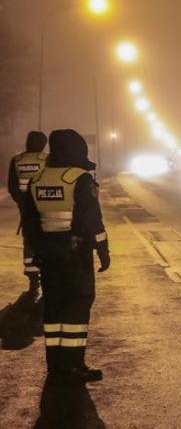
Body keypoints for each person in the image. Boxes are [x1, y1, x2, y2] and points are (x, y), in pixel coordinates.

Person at [21, 129, 110, 382]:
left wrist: (40, 249)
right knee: (76, 309)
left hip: (49, 256)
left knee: (54, 309)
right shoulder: (79, 178)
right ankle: (73, 366)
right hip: (75, 256)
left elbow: (29, 222)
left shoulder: (37, 179)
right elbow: (92, 220)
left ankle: (56, 365)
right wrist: (103, 249)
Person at [7, 131, 48, 299]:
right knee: (47, 242)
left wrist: (21, 203)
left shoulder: (17, 160)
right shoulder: (47, 159)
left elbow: (12, 186)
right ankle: (47, 280)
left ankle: (33, 282)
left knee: (30, 242)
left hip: (26, 209)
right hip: (46, 206)